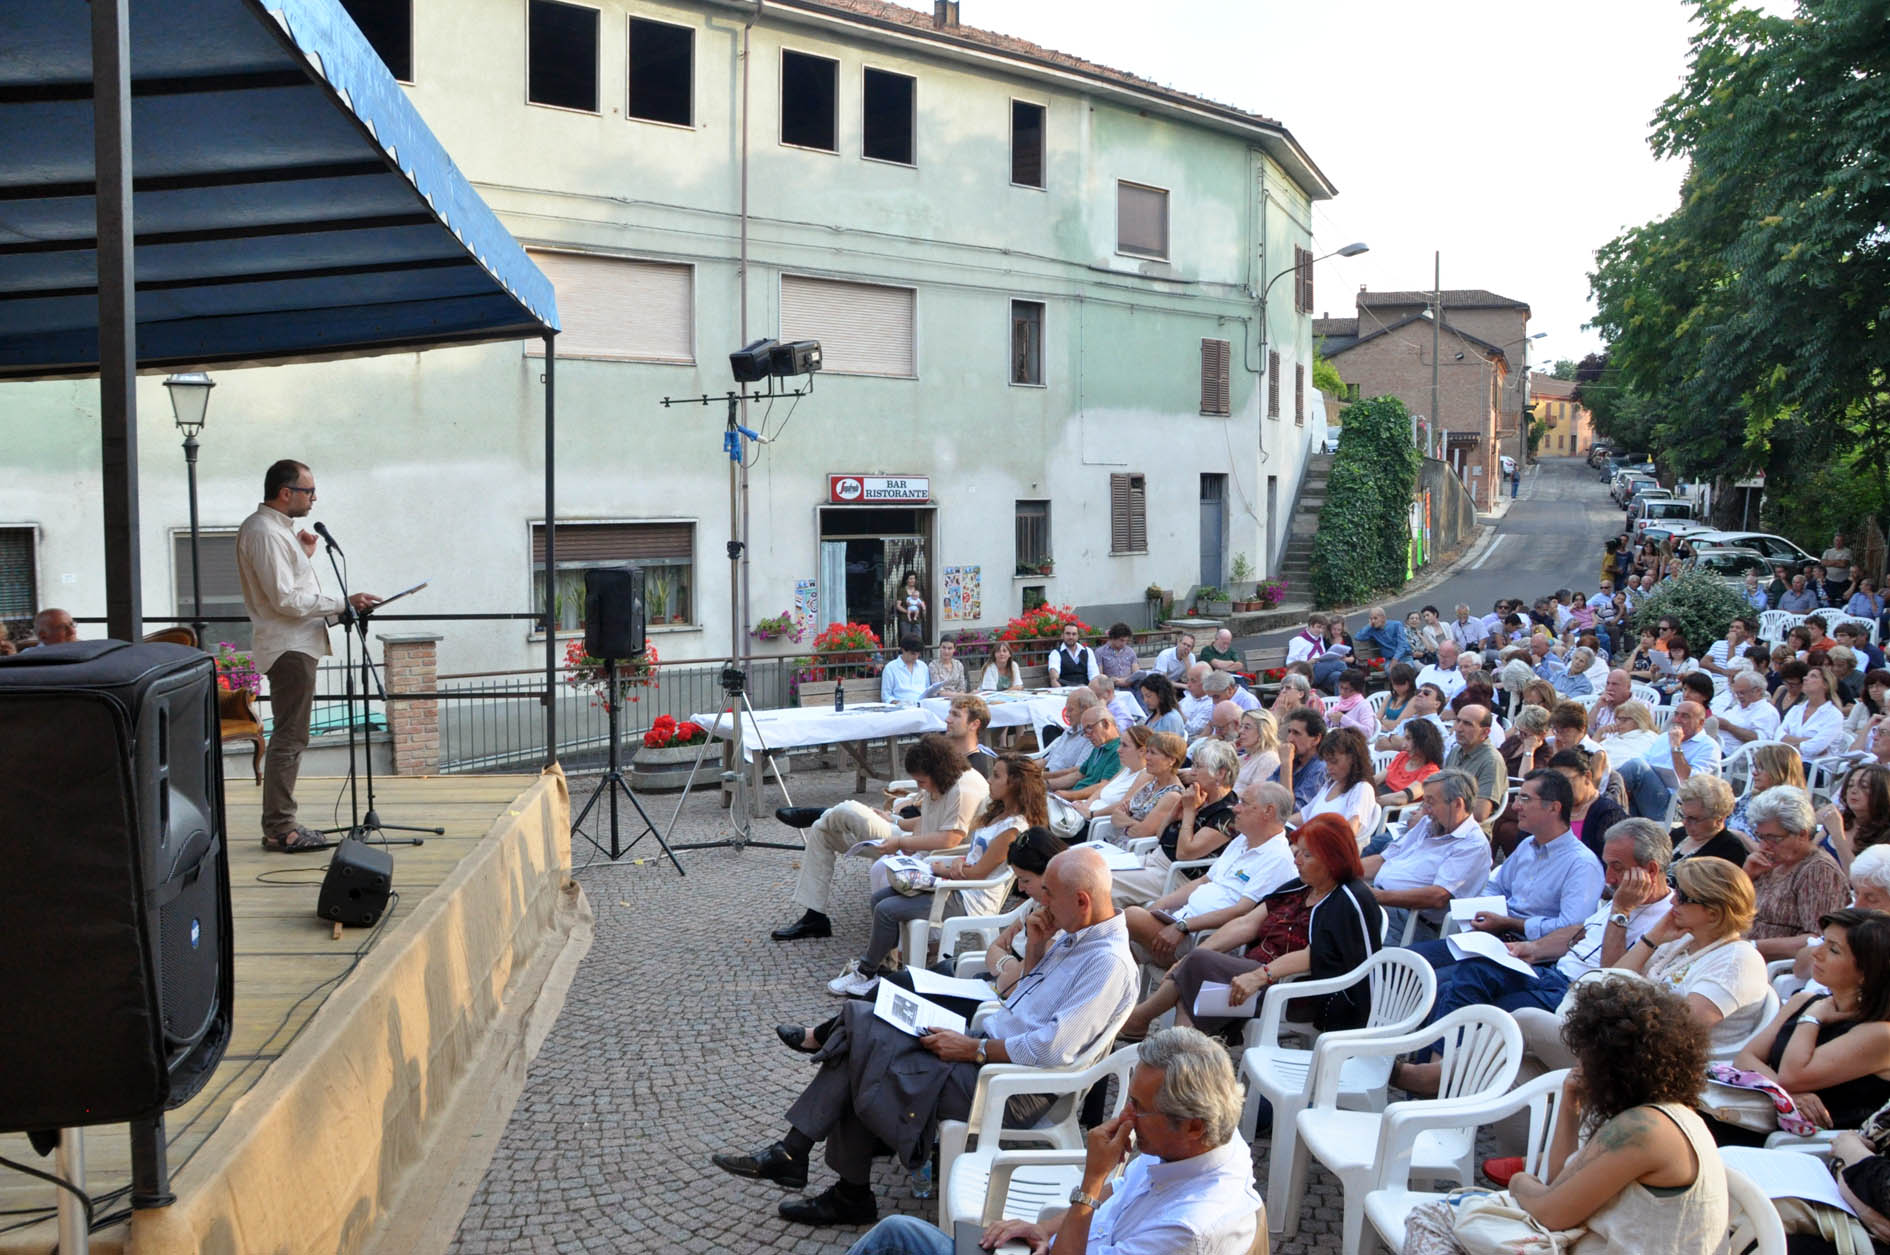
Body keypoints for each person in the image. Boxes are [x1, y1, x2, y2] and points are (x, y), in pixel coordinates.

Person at [714, 848, 1137, 1225]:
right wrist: (1035, 951)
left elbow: (1049, 1049)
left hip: (1013, 1086)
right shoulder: (1075, 935)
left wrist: (973, 1050)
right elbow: (1024, 1004)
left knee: (861, 1037)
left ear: (1082, 901)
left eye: (1049, 895)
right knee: (867, 1032)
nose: (1039, 902)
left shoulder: (1106, 963)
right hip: (988, 1050)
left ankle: (819, 1169)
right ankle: (826, 1176)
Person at [853, 1027, 1261, 1255]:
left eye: (1138, 1107)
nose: (1124, 1117)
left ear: (1191, 1125)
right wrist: (1040, 1228)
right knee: (898, 1233)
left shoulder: (1188, 1228)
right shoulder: (1200, 1147)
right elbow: (1117, 1195)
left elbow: (1099, 1196)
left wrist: (1090, 1182)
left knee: (896, 1240)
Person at [1402, 981, 1729, 1255]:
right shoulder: (1651, 1115)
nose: (1579, 1067)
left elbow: (1551, 1213)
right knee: (1449, 1215)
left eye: (1586, 1057)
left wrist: (1520, 1183)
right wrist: (1570, 1104)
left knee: (1432, 1219)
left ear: (1613, 1067)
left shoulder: (1646, 1129)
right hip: (1586, 1241)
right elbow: (1560, 1182)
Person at [1392, 817, 1667, 1096]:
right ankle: (1435, 1072)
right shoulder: (1621, 895)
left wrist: (1621, 911)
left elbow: (1613, 974)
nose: (1609, 878)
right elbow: (1581, 931)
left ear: (1651, 870)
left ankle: (1434, 1083)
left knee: (1490, 1007)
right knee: (1472, 970)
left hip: (1581, 994)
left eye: (1617, 868)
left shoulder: (1658, 919)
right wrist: (1533, 949)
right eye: (1608, 865)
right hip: (1552, 972)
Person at [235, 459, 380, 853]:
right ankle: (281, 829)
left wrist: (303, 555)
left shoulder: (275, 532)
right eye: (308, 491)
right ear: (286, 493)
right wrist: (341, 602)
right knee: (290, 736)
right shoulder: (264, 531)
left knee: (292, 735)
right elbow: (284, 599)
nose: (314, 498)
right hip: (289, 648)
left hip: (295, 644)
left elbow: (283, 584)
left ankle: (281, 824)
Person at [829, 754, 1050, 996]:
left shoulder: (1013, 829)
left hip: (970, 898)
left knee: (886, 910)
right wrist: (956, 864)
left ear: (1015, 783)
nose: (989, 779)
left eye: (996, 775)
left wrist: (942, 869)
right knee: (879, 899)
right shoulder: (998, 814)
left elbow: (981, 871)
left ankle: (867, 971)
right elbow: (976, 857)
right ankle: (885, 968)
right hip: (959, 884)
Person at [1147, 814, 1383, 1040]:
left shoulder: (1349, 899)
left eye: (1307, 855)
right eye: (1297, 851)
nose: (1296, 860)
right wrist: (1190, 958)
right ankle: (1176, 1067)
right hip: (1251, 979)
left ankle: (1140, 1022)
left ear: (1334, 859)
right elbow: (1246, 923)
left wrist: (1260, 976)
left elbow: (1317, 955)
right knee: (1194, 985)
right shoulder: (1299, 888)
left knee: (1198, 967)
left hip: (1293, 994)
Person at [772, 734, 989, 942]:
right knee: (821, 831)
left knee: (849, 810)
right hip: (910, 841)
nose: (920, 787)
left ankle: (824, 811)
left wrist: (903, 842)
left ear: (937, 770)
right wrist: (894, 820)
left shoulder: (963, 788)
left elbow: (949, 840)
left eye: (921, 782)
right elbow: (928, 821)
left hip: (930, 856)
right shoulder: (942, 780)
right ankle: (815, 916)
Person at [1706, 907, 1890, 1147]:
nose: (1817, 953)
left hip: (1806, 1144)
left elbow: (1792, 1075)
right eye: (1823, 941)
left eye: (1833, 950)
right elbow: (1746, 1057)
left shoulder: (1878, 1032)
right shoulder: (1804, 1000)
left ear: (1866, 972)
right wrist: (1787, 1096)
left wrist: (1813, 1017)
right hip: (1757, 1117)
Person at [1121, 762, 1296, 963]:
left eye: (1245, 803)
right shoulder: (1243, 839)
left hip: (1204, 940)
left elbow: (1242, 912)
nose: (1235, 808)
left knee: (1128, 918)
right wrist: (1160, 905)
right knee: (1119, 942)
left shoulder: (1278, 859)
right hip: (1182, 921)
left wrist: (1183, 925)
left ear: (1268, 812)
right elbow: (1205, 880)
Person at [1602, 855, 1769, 1051]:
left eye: (1682, 896)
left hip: (1680, 1065)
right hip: (1637, 1048)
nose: (1672, 900)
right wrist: (1652, 939)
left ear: (1714, 912)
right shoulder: (1684, 940)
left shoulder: (1737, 961)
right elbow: (1611, 981)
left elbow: (1678, 1029)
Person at [1363, 769, 1492, 942]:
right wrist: (1337, 872)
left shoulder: (1472, 844)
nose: (1426, 811)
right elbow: (1382, 859)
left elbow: (1438, 896)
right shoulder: (1427, 824)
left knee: (1341, 918)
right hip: (1384, 904)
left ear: (1457, 804)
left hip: (1413, 923)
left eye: (1430, 803)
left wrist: (1377, 897)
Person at [1111, 740, 1241, 908]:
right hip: (1154, 859)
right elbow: (1160, 835)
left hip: (1176, 875)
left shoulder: (1228, 813)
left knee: (1103, 882)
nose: (1191, 772)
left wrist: (1189, 812)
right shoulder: (1200, 796)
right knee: (1096, 866)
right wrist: (1177, 810)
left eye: (1198, 767)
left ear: (1220, 774)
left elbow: (1184, 853)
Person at [1743, 785, 1852, 960]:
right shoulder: (1769, 862)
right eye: (1760, 837)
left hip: (1774, 966)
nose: (1763, 846)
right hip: (1741, 953)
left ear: (1802, 834)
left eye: (1773, 838)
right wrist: (1746, 876)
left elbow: (1817, 939)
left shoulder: (1818, 871)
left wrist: (1752, 946)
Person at [1616, 701, 1721, 821]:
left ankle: (1600, 806)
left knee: (1636, 767)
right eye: (1676, 714)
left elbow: (1692, 784)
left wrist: (1676, 747)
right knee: (1625, 776)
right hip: (1648, 798)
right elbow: (1644, 759)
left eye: (1685, 716)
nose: (1677, 720)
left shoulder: (1709, 746)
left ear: (1701, 722)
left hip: (1679, 808)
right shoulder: (1664, 738)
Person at [1290, 727, 1378, 844]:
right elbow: (1305, 815)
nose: (1328, 767)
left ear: (1352, 759)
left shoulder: (1362, 788)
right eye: (1327, 762)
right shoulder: (1330, 784)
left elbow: (1350, 831)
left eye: (1334, 761)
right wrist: (1279, 825)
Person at [1668, 773, 1750, 871]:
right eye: (1683, 815)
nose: (1685, 822)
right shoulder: (1678, 834)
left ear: (1719, 819)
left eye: (1693, 819)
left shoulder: (1730, 849)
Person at [1727, 742, 1805, 840]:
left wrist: (1740, 836)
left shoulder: (1788, 808)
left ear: (1779, 772)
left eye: (1761, 768)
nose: (1754, 772)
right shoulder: (1751, 796)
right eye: (1755, 766)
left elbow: (1773, 852)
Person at [1821, 764, 1890, 872]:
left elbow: (1858, 880)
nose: (1853, 791)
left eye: (1863, 786)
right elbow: (1808, 854)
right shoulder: (1840, 818)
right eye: (1850, 785)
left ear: (1882, 792)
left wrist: (1837, 835)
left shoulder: (1886, 835)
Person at [1444, 704, 1505, 823]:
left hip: (1467, 831)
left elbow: (1480, 813)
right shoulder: (1456, 751)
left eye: (1467, 724)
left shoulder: (1491, 761)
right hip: (1443, 822)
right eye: (1458, 721)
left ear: (1485, 732)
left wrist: (1439, 812)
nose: (1458, 728)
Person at [1048, 707, 1123, 803]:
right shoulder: (1099, 746)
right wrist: (1048, 784)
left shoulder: (1120, 750)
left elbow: (1104, 786)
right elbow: (1079, 774)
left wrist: (1070, 795)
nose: (1087, 735)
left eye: (1089, 728)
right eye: (1085, 731)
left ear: (1105, 724)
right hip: (1075, 797)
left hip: (1086, 804)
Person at [1780, 662, 1848, 759]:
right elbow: (1778, 736)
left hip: (1815, 767)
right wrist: (1807, 740)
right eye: (1806, 676)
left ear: (1825, 685)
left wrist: (1788, 741)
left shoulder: (1834, 715)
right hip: (1790, 760)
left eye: (1813, 676)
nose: (1805, 678)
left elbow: (1815, 748)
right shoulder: (1796, 710)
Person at [1377, 717, 1446, 812]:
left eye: (1408, 739)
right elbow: (1377, 779)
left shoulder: (1431, 771)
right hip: (1381, 798)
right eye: (1404, 738)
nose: (1403, 745)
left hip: (1393, 810)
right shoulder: (1402, 756)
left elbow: (1402, 797)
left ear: (1423, 742)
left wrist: (1371, 801)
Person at [1714, 668, 1781, 756]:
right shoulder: (1737, 707)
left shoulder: (1767, 711)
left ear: (1758, 691)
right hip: (1718, 748)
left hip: (1737, 757)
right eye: (1736, 693)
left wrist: (1729, 727)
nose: (1738, 697)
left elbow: (1760, 741)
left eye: (1742, 693)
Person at [1279, 707, 1329, 814]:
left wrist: (1286, 764)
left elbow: (1290, 811)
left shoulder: (1320, 769)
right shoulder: (1295, 759)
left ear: (1316, 739)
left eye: (1296, 733)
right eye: (1290, 732)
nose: (1289, 739)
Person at [1233, 708, 1281, 796]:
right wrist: (1229, 752)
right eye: (1241, 726)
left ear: (1263, 731)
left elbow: (1254, 796)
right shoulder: (1244, 757)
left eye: (1247, 727)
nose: (1240, 731)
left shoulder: (1269, 759)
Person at [1325, 668, 1378, 737]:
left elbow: (1368, 733)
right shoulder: (1341, 703)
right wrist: (1328, 716)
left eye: (1346, 689)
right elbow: (1324, 721)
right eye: (1340, 687)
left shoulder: (1364, 705)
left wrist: (1343, 719)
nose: (1342, 692)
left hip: (1354, 744)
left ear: (1357, 690)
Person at [880, 634, 929, 703]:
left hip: (922, 705)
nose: (916, 656)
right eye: (913, 653)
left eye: (918, 653)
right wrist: (898, 703)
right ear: (903, 650)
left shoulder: (923, 666)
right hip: (901, 708)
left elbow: (927, 689)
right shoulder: (890, 668)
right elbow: (886, 696)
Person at [1046, 622, 1097, 687]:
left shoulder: (1088, 651)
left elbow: (1094, 676)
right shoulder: (1056, 653)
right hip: (1066, 691)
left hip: (1085, 690)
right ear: (1062, 635)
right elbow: (1054, 678)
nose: (1071, 637)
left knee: (1103, 678)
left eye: (1074, 634)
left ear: (1078, 636)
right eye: (1068, 633)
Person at [1588, 668, 1633, 736]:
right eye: (1608, 683)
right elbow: (1586, 732)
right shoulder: (1601, 705)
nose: (1609, 688)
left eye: (1615, 684)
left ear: (1628, 687)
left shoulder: (1643, 706)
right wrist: (1596, 708)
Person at [898, 570, 926, 635]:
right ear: (906, 580)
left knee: (918, 639)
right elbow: (898, 606)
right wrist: (907, 611)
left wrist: (923, 608)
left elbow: (922, 602)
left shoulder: (917, 590)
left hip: (917, 619)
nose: (912, 580)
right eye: (910, 578)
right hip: (905, 619)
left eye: (914, 578)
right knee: (906, 639)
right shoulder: (902, 590)